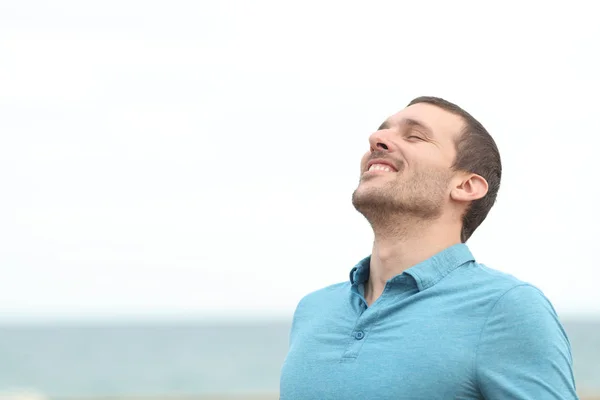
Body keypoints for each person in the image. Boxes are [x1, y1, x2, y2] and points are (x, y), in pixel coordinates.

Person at [279, 96, 578, 399]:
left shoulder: (508, 308)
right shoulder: (313, 310)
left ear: (465, 186)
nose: (376, 138)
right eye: (382, 131)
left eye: (414, 136)